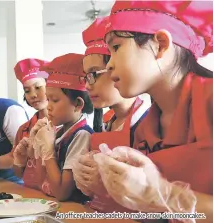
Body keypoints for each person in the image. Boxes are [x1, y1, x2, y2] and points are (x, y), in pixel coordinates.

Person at [91, 1, 213, 221]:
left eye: (116, 47)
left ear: (161, 44)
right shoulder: (147, 129)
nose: (109, 66)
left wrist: (161, 193)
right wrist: (113, 185)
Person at [72, 16, 151, 212]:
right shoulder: (108, 123)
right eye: (85, 77)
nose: (87, 85)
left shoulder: (148, 122)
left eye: (93, 74)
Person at [30, 53, 94, 202]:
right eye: (47, 99)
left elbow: (61, 193)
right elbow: (41, 183)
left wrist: (49, 152)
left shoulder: (81, 136)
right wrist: (38, 146)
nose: (48, 106)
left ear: (78, 104)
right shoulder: (58, 133)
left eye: (55, 100)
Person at [11, 58, 49, 190]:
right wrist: (19, 159)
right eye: (27, 91)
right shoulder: (23, 130)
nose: (33, 95)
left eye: (38, 87)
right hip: (30, 194)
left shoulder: (65, 126)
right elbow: (18, 173)